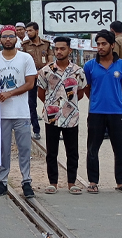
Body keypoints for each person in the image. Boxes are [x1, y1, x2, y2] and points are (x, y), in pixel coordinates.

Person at [0, 26, 37, 198]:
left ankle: (26, 181)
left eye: (11, 36)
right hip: (1, 113)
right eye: (4, 37)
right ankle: (2, 182)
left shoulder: (25, 58)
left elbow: (30, 83)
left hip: (21, 112)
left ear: (16, 38)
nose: (8, 39)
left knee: (24, 149)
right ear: (0, 39)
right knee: (3, 150)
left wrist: (9, 93)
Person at [83, 30, 122, 194]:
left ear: (112, 45)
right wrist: (97, 100)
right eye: (98, 44)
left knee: (119, 149)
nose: (100, 47)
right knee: (92, 149)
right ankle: (93, 181)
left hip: (117, 112)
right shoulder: (90, 66)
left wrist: (114, 99)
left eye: (104, 43)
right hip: (96, 112)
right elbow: (87, 88)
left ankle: (120, 182)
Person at [37, 36, 86, 195]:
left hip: (71, 116)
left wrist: (68, 104)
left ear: (69, 50)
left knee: (72, 151)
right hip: (51, 117)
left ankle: (72, 182)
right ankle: (53, 183)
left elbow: (80, 93)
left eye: (62, 48)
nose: (59, 51)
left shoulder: (78, 71)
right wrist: (53, 105)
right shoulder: (46, 71)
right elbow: (41, 93)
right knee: (52, 151)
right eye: (56, 48)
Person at [21, 21, 53, 140]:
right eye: (27, 31)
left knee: (50, 102)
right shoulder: (25, 45)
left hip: (46, 76)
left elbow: (51, 60)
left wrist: (41, 71)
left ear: (37, 31)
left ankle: (54, 128)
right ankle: (36, 130)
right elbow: (22, 61)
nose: (28, 33)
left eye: (30, 30)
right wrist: (32, 73)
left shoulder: (47, 44)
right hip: (31, 77)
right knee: (31, 103)